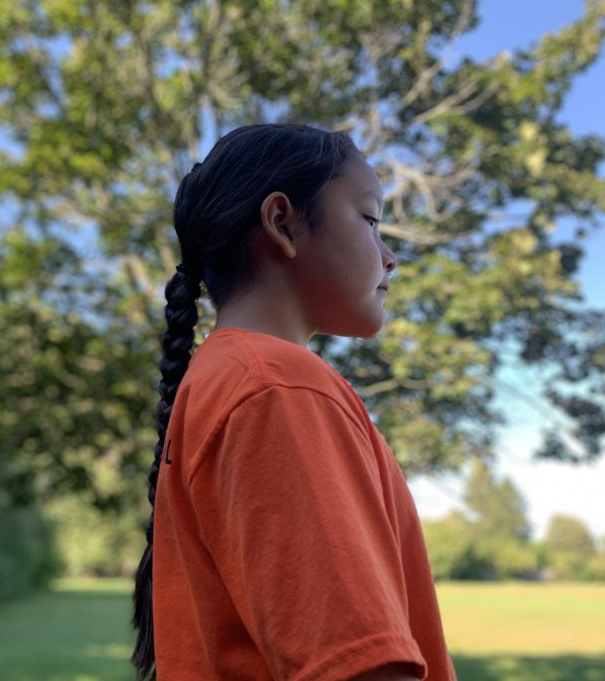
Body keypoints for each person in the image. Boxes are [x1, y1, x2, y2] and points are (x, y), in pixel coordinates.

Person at [131, 124, 457, 681]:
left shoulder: (227, 379)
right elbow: (356, 668)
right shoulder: (276, 388)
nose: (390, 256)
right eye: (371, 220)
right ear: (282, 223)